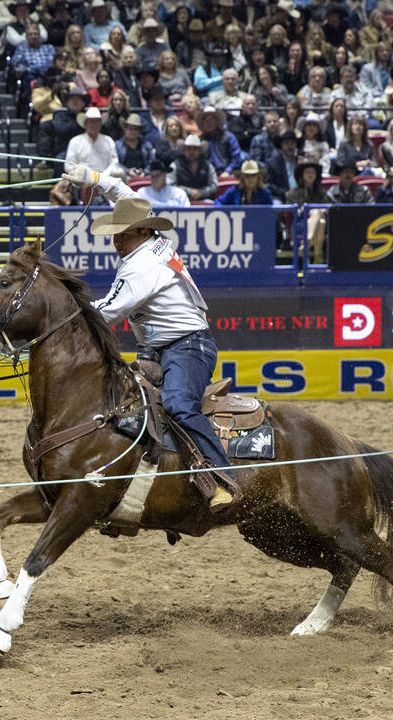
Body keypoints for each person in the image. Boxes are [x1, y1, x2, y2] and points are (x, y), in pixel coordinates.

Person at [60, 164, 239, 511]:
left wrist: (63, 310)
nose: (116, 241)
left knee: (178, 405)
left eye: (122, 234)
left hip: (187, 347)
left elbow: (106, 312)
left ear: (141, 231)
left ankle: (222, 478)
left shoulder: (141, 268)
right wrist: (95, 179)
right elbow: (126, 195)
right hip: (164, 347)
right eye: (114, 234)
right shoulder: (155, 243)